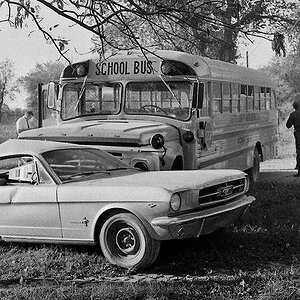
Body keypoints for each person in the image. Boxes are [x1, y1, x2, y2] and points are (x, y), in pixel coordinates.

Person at [286, 101, 300, 177]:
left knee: (299, 151)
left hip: (298, 134)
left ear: (294, 107)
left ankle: (299, 168)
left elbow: (288, 125)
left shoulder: (293, 114)